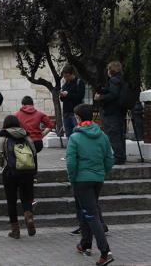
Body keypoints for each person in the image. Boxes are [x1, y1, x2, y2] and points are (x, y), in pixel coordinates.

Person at [66, 104, 114, 266]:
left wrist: (72, 178)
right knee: (84, 210)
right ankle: (85, 243)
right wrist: (101, 172)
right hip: (97, 179)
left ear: (78, 118)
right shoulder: (102, 136)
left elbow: (71, 162)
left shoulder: (75, 137)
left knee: (91, 214)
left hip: (81, 180)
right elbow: (109, 159)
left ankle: (105, 251)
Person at [0, 115, 37, 239]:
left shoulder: (3, 135)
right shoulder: (25, 134)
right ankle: (29, 217)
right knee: (26, 197)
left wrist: (4, 164)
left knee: (11, 200)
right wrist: (33, 170)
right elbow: (33, 151)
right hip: (27, 171)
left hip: (10, 172)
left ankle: (15, 230)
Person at [94, 61, 127, 165]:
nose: (107, 71)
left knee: (113, 134)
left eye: (108, 69)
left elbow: (113, 94)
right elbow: (112, 91)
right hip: (119, 111)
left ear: (111, 70)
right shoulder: (120, 79)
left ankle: (118, 157)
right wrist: (103, 90)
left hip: (112, 112)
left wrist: (100, 97)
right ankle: (121, 155)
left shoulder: (113, 80)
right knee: (119, 134)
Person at [60, 65, 86, 138]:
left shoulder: (79, 82)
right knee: (68, 135)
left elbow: (80, 96)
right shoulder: (65, 84)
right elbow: (63, 99)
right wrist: (62, 96)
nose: (66, 78)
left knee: (77, 134)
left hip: (75, 113)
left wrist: (68, 94)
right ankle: (71, 149)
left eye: (67, 76)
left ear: (72, 74)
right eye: (64, 76)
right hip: (66, 113)